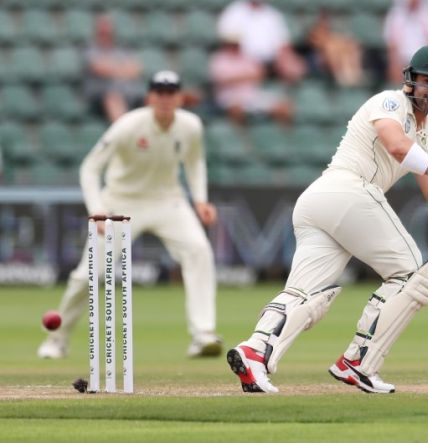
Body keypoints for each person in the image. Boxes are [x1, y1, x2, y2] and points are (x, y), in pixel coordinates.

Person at [226, 45, 428, 394]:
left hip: (324, 204)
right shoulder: (389, 102)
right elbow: (396, 146)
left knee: (305, 293)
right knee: (412, 273)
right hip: (347, 190)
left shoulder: (427, 140)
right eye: (426, 81)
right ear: (411, 81)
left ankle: (254, 353)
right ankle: (359, 361)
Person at [38, 71, 223, 359]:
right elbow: (89, 168)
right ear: (150, 97)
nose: (164, 98)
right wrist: (97, 210)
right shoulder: (128, 126)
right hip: (121, 204)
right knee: (88, 276)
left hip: (168, 201)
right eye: (159, 92)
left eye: (170, 92)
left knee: (199, 250)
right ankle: (57, 339)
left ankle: (203, 334)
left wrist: (200, 200)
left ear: (179, 97)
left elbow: (195, 162)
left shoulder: (191, 126)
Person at [209, 34, 293, 124]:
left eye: (236, 44)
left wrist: (238, 78)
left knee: (282, 106)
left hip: (251, 95)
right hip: (228, 96)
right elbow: (221, 80)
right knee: (236, 108)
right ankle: (240, 136)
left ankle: (281, 135)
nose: (235, 46)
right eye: (232, 44)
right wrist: (246, 77)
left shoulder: (247, 57)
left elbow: (260, 74)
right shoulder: (219, 59)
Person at [216, 0, 306, 84]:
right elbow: (229, 43)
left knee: (295, 67)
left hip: (273, 61)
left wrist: (285, 59)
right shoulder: (234, 11)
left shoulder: (272, 14)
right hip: (244, 60)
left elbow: (284, 44)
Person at [83, 14, 145, 122]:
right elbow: (99, 68)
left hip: (128, 93)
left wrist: (114, 69)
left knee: (154, 97)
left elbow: (136, 69)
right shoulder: (90, 49)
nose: (105, 33)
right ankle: (125, 132)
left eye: (107, 30)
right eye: (102, 31)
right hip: (101, 95)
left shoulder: (121, 49)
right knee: (113, 98)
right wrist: (123, 70)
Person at [383, 0, 428, 83]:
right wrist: (394, 65)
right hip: (403, 62)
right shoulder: (396, 14)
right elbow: (391, 45)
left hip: (426, 61)